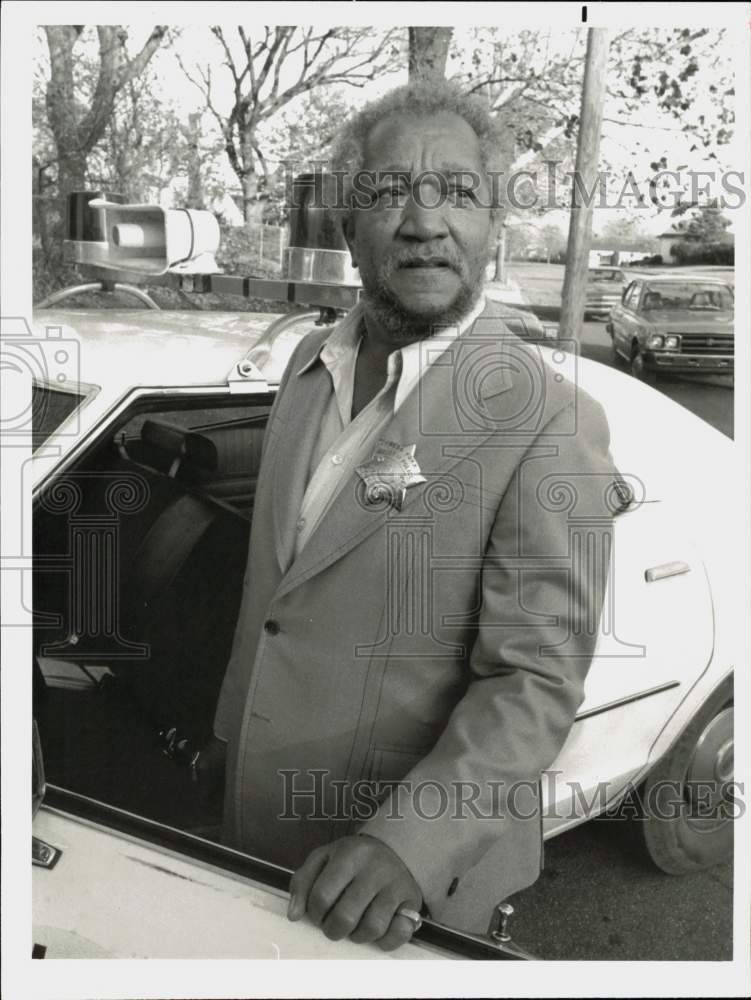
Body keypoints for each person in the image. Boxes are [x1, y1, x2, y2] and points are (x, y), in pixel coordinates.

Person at [202, 79, 621, 951]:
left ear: (493, 229)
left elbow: (533, 681)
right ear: (350, 226)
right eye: (391, 191)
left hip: (397, 881)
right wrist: (226, 741)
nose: (424, 222)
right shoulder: (310, 361)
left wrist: (408, 843)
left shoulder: (548, 418)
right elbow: (277, 601)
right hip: (243, 832)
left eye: (459, 194)